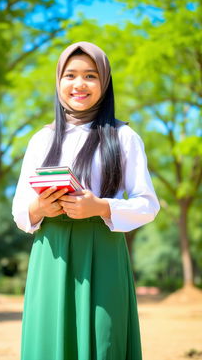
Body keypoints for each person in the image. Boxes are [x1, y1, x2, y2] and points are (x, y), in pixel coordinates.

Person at [12, 41, 160, 360]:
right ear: (59, 81)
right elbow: (19, 209)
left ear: (104, 83)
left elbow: (148, 205)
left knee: (103, 341)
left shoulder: (123, 137)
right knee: (50, 343)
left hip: (103, 252)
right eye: (70, 75)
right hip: (51, 256)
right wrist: (38, 208)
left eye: (90, 76)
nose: (79, 84)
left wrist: (102, 207)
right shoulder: (41, 138)